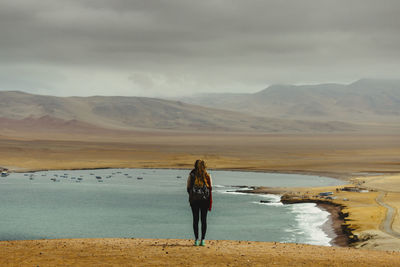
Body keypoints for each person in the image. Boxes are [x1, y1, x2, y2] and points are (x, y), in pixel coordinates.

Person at [187, 159, 212, 246]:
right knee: (203, 220)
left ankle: (196, 240)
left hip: (194, 201)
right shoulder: (207, 176)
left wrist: (193, 196)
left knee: (195, 219)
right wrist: (209, 202)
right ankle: (203, 240)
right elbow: (210, 189)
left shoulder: (192, 175)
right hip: (205, 201)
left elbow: (188, 188)